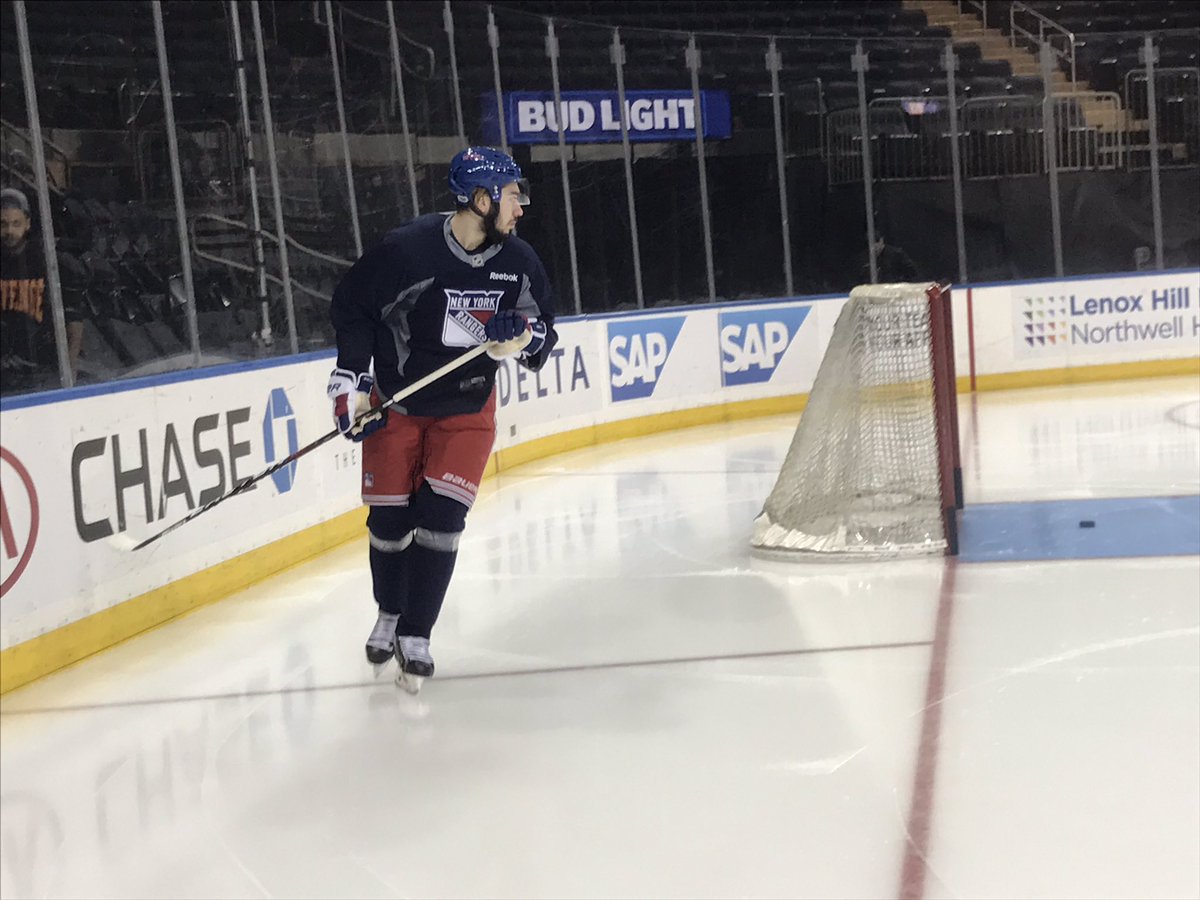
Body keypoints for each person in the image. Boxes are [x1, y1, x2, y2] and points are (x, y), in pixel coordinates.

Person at [327, 147, 558, 690]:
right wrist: (350, 383)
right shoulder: (407, 252)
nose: (519, 207)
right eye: (510, 195)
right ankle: (389, 610)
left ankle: (417, 631)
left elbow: (542, 329)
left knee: (441, 519)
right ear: (481, 200)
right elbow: (353, 308)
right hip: (398, 402)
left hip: (467, 409)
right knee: (389, 523)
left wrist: (519, 340)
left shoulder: (518, 261)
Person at [1, 187, 83, 391]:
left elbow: (73, 320)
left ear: (28, 223)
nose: (10, 231)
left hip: (46, 372)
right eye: (3, 224)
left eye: (16, 223)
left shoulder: (49, 262)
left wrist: (69, 371)